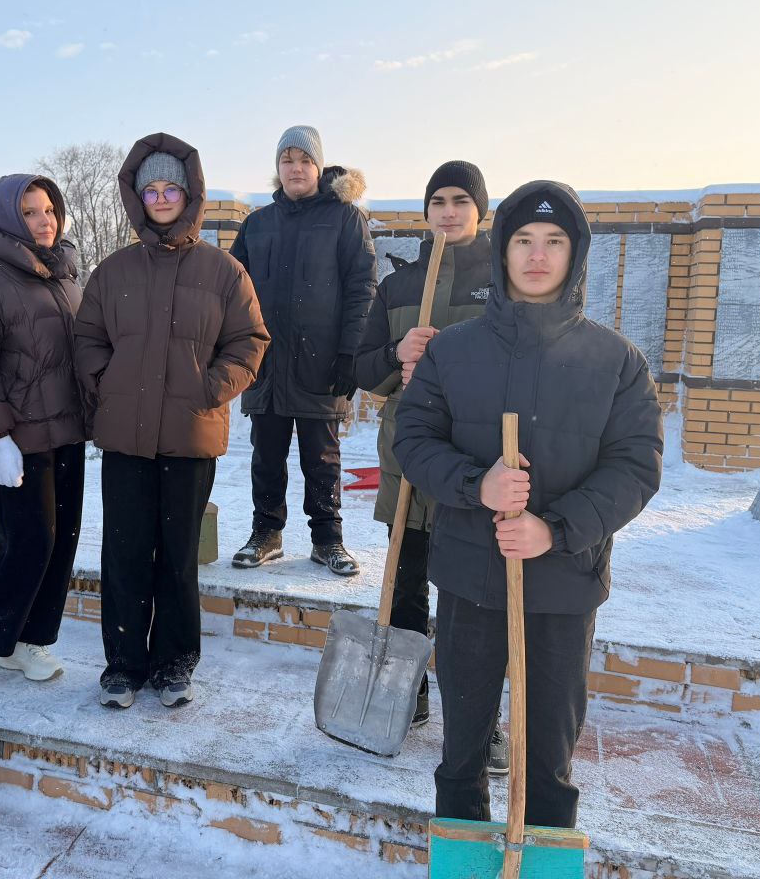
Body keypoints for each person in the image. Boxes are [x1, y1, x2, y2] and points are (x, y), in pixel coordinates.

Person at [393, 180, 664, 828]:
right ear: (502, 250)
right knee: (462, 750)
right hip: (469, 576)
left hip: (564, 583)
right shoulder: (453, 351)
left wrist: (555, 529)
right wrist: (475, 485)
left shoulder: (615, 360)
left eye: (554, 241)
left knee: (548, 754)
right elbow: (414, 439)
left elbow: (636, 466)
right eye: (522, 240)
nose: (537, 256)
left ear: (576, 254)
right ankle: (463, 855)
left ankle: (542, 849)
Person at [74, 133, 268, 709]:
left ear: (190, 195)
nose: (161, 198)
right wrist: (110, 383)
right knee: (125, 552)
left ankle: (175, 662)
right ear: (137, 198)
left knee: (178, 555)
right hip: (124, 438)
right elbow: (87, 338)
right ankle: (123, 664)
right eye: (150, 189)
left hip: (189, 435)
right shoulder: (113, 271)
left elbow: (249, 341)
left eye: (171, 189)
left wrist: (208, 390)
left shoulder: (224, 271)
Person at [353, 161, 505, 769]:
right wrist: (398, 353)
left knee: (474, 597)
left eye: (460, 200)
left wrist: (450, 363)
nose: (448, 211)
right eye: (437, 201)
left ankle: (478, 719)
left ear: (480, 210)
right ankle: (404, 694)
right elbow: (364, 372)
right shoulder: (399, 285)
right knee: (404, 584)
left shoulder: (503, 281)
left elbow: (523, 367)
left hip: (475, 461)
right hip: (407, 457)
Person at [0, 174, 86, 689]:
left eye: (49, 209)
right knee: (29, 542)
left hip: (67, 430)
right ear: (8, 216)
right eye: (29, 212)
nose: (44, 220)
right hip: (19, 439)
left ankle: (30, 641)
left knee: (62, 542)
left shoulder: (63, 273)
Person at [229, 125, 376, 576]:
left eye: (305, 160)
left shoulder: (345, 219)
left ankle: (328, 539)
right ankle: (266, 533)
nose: (296, 168)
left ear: (318, 166)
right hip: (267, 364)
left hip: (321, 362)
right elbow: (231, 290)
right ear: (278, 168)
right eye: (287, 160)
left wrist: (350, 353)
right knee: (265, 456)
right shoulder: (257, 224)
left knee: (322, 457)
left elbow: (362, 287)